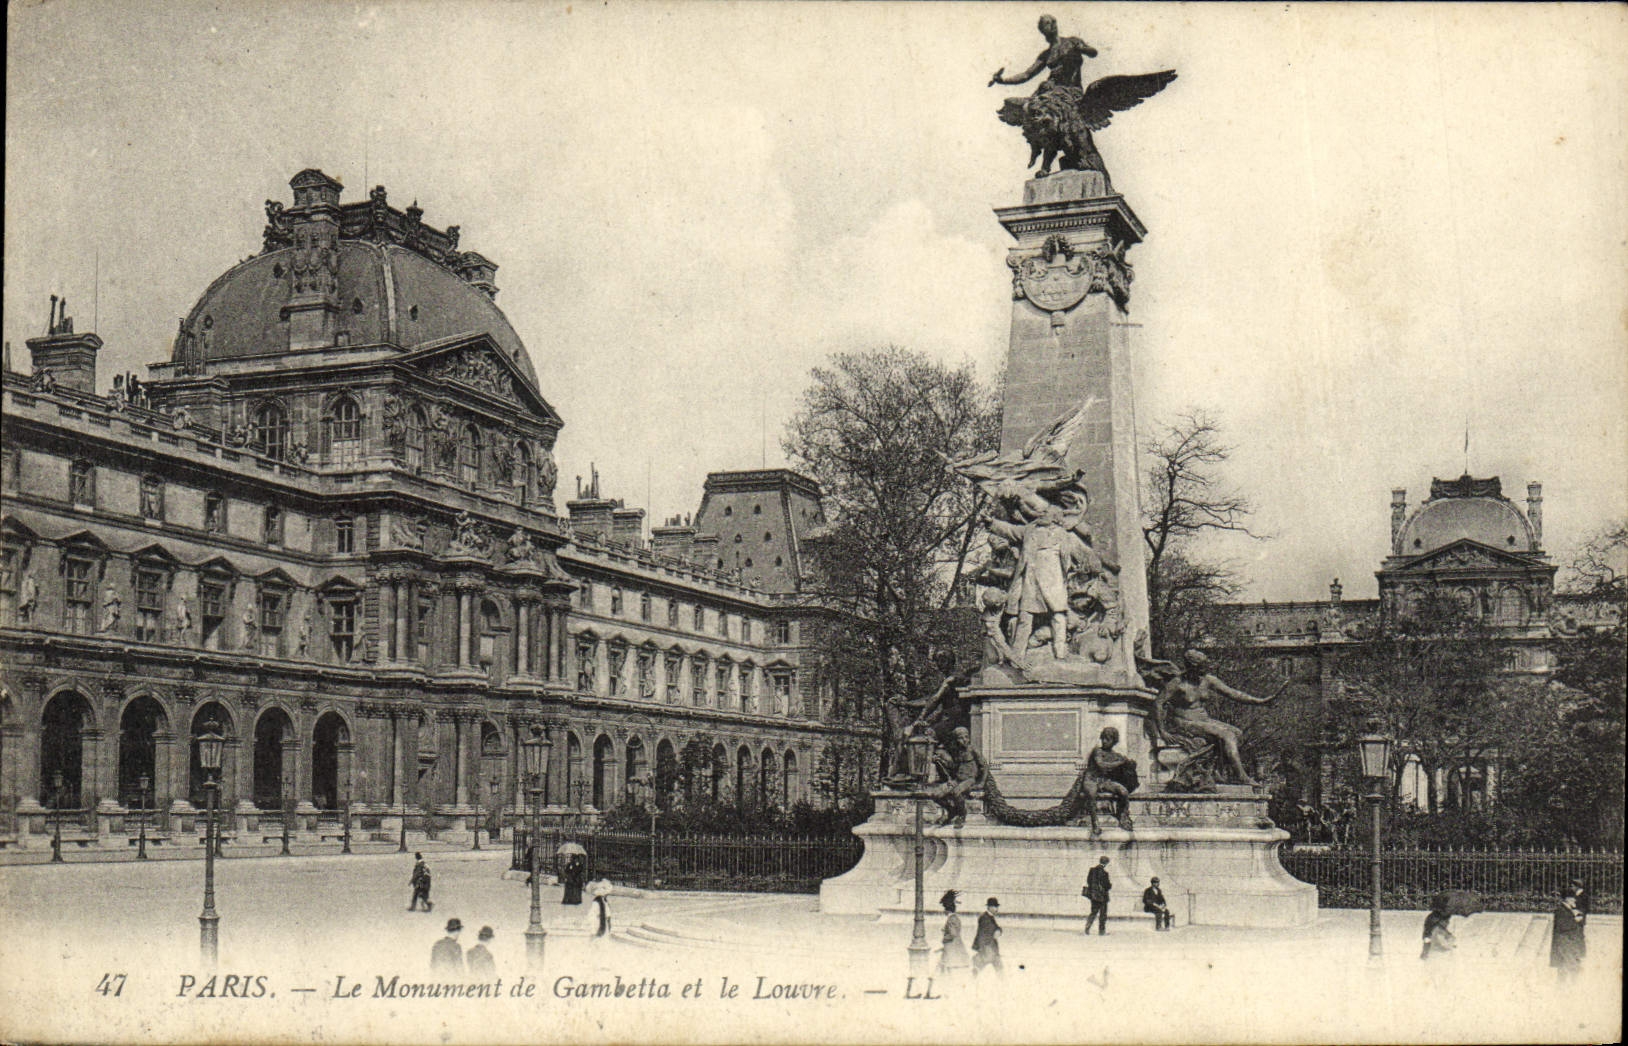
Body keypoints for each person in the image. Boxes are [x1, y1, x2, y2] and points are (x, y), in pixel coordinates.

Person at [1154, 650, 1279, 786]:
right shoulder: (1177, 683)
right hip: (1185, 722)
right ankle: (1241, 776)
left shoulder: (1208, 680)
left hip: (1203, 720)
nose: (1205, 670)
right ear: (1192, 667)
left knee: (1238, 733)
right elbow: (1158, 703)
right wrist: (1162, 731)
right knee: (1227, 735)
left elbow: (1233, 693)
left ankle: (1216, 771)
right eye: (1202, 667)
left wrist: (1260, 702)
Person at [1080, 727, 1138, 832]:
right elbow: (1101, 765)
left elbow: (1128, 766)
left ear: (1114, 741)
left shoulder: (1115, 755)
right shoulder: (1097, 751)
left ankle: (1123, 816)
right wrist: (1120, 763)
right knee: (1092, 794)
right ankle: (1095, 823)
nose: (1104, 741)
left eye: (1108, 739)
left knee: (1123, 791)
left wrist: (1130, 764)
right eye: (1103, 738)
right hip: (1091, 779)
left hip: (1104, 781)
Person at [928, 727, 988, 828]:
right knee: (935, 794)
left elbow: (984, 766)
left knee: (956, 792)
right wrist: (940, 761)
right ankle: (952, 811)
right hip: (957, 780)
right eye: (960, 738)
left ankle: (961, 815)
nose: (964, 740)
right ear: (956, 740)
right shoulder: (957, 752)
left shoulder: (973, 750)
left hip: (969, 780)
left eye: (966, 737)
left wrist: (981, 782)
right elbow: (953, 767)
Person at [1550, 887, 1586, 983]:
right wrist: (1575, 920)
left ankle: (1563, 988)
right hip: (1565, 943)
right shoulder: (1561, 910)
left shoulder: (1567, 909)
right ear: (1567, 899)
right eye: (1572, 898)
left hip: (1567, 943)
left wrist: (1573, 915)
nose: (1574, 900)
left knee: (1565, 966)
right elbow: (1562, 926)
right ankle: (1571, 987)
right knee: (1571, 966)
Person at [936, 890, 970, 976]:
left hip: (951, 948)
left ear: (947, 910)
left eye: (945, 909)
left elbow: (953, 934)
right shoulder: (955, 918)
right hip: (952, 947)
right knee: (945, 968)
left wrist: (944, 938)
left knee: (947, 968)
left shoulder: (951, 919)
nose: (944, 911)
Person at [972, 898, 1003, 976]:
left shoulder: (990, 917)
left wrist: (999, 930)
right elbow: (985, 934)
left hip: (990, 948)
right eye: (995, 907)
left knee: (998, 966)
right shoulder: (984, 918)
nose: (997, 909)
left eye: (997, 907)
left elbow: (996, 928)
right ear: (989, 907)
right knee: (980, 965)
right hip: (987, 947)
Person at [1084, 856, 1112, 935]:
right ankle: (1101, 931)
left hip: (1094, 896)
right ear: (1106, 863)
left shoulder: (1092, 870)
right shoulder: (1105, 873)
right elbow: (1107, 885)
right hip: (1102, 896)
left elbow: (1088, 881)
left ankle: (1087, 928)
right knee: (1103, 914)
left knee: (1093, 912)